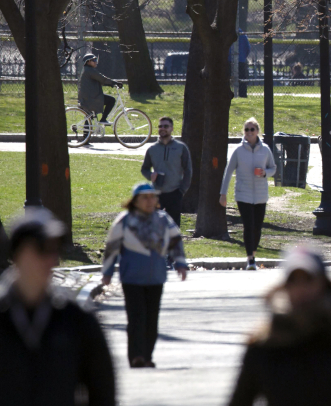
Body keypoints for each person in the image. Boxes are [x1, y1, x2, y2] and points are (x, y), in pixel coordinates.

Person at [227, 246, 331, 406]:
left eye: (308, 279)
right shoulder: (264, 346)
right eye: (293, 280)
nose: (301, 289)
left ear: (324, 285)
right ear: (284, 287)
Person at [2, 208, 115, 404]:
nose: (52, 260)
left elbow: (102, 392)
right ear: (17, 252)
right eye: (42, 249)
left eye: (54, 250)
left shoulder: (77, 320)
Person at [102, 183, 189, 368]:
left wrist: (180, 263)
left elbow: (175, 241)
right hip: (131, 279)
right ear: (135, 201)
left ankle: (147, 356)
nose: (150, 201)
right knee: (136, 318)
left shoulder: (163, 219)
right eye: (145, 197)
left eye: (153, 197)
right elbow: (112, 248)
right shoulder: (125, 220)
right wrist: (107, 273)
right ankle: (136, 357)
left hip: (156, 278)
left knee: (151, 320)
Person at [220, 117, 277, 270]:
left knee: (257, 227)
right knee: (248, 225)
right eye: (247, 129)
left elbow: (273, 168)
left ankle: (253, 252)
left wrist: (265, 173)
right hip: (243, 194)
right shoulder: (238, 151)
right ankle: (250, 259)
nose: (249, 132)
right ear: (243, 132)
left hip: (260, 195)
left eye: (252, 129)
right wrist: (223, 193)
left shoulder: (265, 149)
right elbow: (228, 171)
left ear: (257, 131)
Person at [140, 116, 192, 227]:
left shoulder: (181, 148)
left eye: (166, 126)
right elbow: (144, 169)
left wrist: (182, 190)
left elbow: (188, 170)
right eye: (160, 126)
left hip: (175, 193)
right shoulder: (152, 149)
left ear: (172, 128)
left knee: (173, 228)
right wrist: (150, 175)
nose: (162, 128)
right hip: (156, 194)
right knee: (154, 226)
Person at [78, 53, 122, 125]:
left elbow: (100, 81)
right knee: (111, 100)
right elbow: (102, 79)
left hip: (88, 97)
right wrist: (114, 83)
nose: (96, 62)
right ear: (88, 62)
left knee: (89, 116)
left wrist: (111, 84)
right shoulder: (90, 71)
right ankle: (103, 119)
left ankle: (86, 135)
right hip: (91, 98)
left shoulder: (87, 70)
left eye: (96, 60)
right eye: (94, 60)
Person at [237, 29, 251, 98]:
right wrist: (243, 57)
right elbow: (248, 48)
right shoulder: (242, 34)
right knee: (242, 78)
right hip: (241, 60)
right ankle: (242, 94)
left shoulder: (225, 32)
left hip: (228, 60)